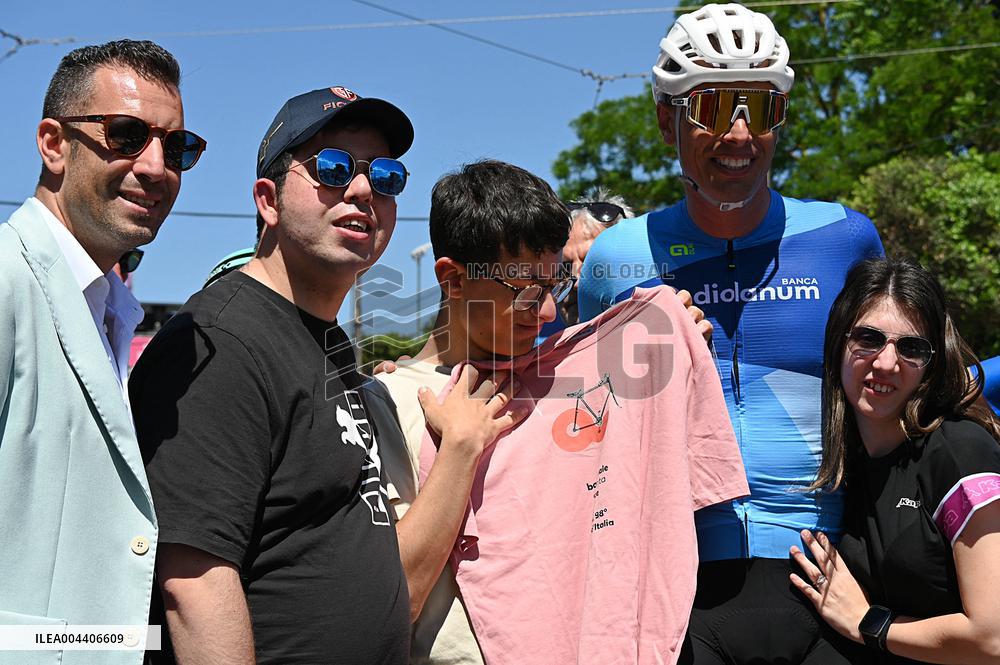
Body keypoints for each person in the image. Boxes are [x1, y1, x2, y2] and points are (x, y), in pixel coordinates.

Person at [130, 87, 519, 665]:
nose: (363, 190)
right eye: (333, 168)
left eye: (386, 177)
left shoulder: (331, 345)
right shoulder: (220, 343)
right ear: (268, 200)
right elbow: (194, 584)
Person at [577, 4, 885, 663]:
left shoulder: (846, 238)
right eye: (712, 108)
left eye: (761, 107)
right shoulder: (615, 258)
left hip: (830, 574)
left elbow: (918, 380)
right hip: (679, 586)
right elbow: (580, 426)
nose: (739, 134)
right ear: (667, 120)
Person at [377, 160, 720, 663]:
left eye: (555, 285)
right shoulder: (390, 404)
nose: (546, 313)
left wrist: (675, 344)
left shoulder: (577, 376)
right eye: (523, 291)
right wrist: (460, 449)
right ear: (452, 280)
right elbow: (390, 600)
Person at [0, 39, 203, 663]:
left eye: (176, 148)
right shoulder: (8, 282)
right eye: (124, 134)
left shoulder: (111, 312)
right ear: (53, 143)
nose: (155, 166)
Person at [789, 257, 1000, 664]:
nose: (886, 362)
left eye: (911, 348)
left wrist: (869, 624)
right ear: (838, 342)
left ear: (932, 362)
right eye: (868, 338)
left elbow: (992, 636)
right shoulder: (845, 461)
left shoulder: (959, 451)